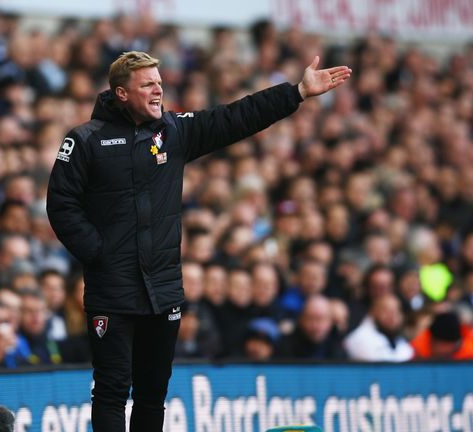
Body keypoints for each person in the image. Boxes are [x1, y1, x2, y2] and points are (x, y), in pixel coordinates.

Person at [46, 50, 350, 431]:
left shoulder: (173, 130)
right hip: (112, 290)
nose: (159, 90)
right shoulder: (85, 140)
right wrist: (99, 254)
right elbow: (60, 205)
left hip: (165, 288)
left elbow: (234, 118)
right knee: (111, 389)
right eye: (148, 84)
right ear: (122, 93)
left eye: (159, 82)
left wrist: (297, 93)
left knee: (153, 393)